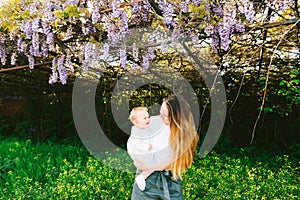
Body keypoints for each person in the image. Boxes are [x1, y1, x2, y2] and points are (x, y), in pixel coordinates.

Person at [130, 94, 199, 200]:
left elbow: (180, 163)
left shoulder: (185, 136)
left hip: (171, 181)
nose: (159, 117)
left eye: (165, 115)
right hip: (147, 182)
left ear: (177, 118)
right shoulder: (151, 124)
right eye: (161, 112)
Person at [127, 107, 161, 191]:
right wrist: (146, 147)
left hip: (144, 154)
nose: (148, 120)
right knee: (152, 167)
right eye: (144, 118)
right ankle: (141, 177)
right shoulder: (136, 132)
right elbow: (135, 145)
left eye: (148, 117)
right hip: (139, 154)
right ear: (136, 122)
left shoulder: (144, 129)